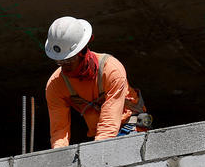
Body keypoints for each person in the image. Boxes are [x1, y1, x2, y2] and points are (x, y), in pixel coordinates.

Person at [44, 16, 149, 149]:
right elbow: (59, 130)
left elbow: (109, 123)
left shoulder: (111, 69)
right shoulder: (55, 85)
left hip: (129, 126)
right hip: (100, 134)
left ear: (82, 51)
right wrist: (58, 154)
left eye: (69, 60)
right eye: (59, 61)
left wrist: (97, 152)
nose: (64, 66)